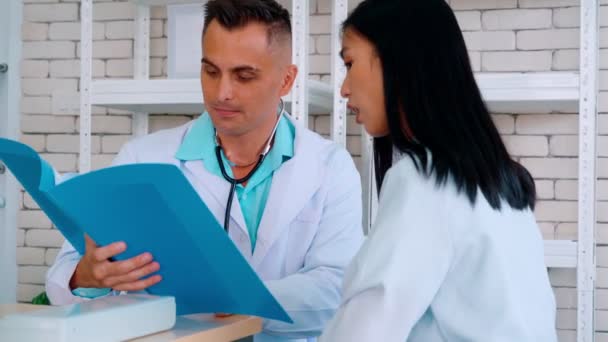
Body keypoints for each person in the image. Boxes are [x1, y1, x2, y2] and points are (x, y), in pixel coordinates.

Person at [46, 1, 364, 341]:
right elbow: (62, 278)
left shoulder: (330, 166)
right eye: (211, 71)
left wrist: (242, 300)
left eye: (243, 76)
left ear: (286, 80)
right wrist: (88, 277)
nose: (221, 93)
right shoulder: (141, 158)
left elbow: (338, 288)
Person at [319, 0, 557, 341]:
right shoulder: (499, 178)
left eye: (350, 62)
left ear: (397, 60)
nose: (343, 88)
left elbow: (365, 330)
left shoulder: (425, 181)